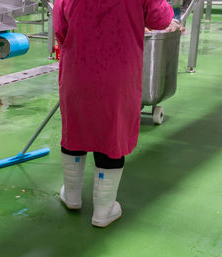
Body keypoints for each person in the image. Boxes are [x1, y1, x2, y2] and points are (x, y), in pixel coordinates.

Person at [53, 0, 181, 227]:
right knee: (112, 134)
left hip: (77, 71)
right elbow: (160, 19)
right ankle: (103, 210)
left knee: (75, 128)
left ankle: (71, 196)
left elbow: (60, 30)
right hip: (118, 73)